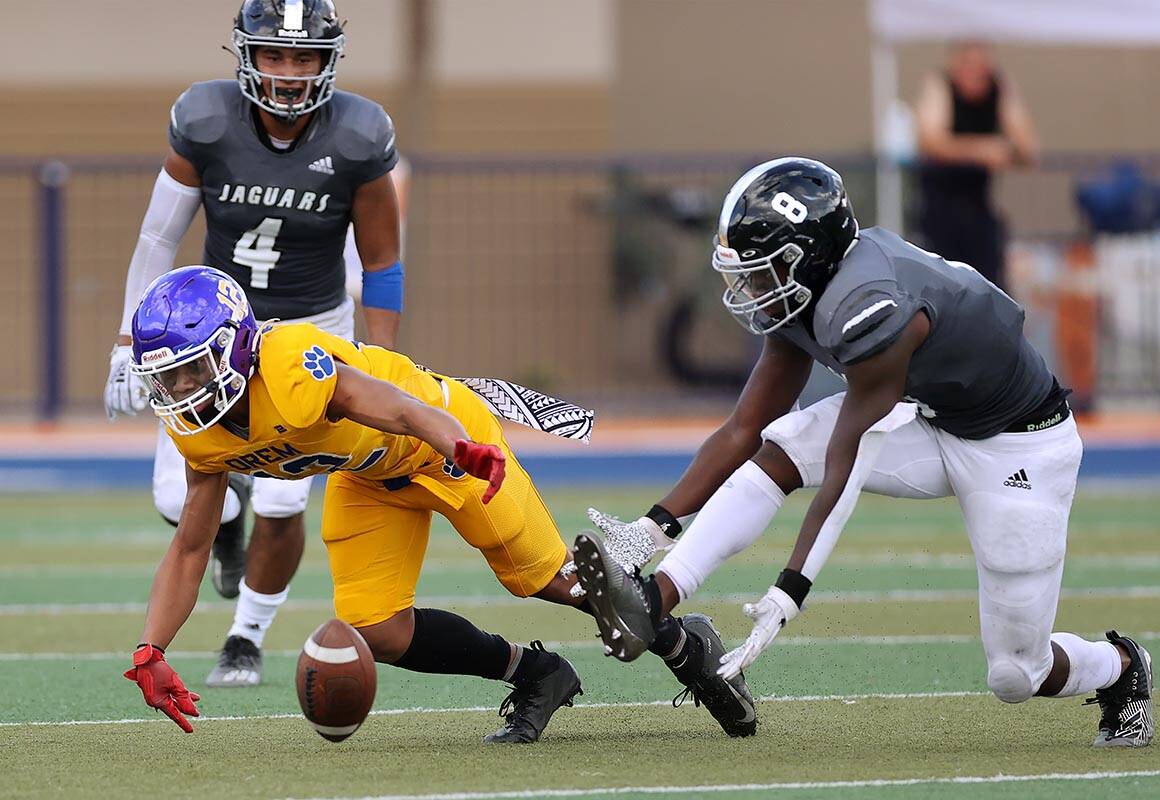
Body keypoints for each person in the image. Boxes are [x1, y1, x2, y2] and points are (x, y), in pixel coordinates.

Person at [575, 157, 1154, 749]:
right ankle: (656, 597)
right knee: (783, 447)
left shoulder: (871, 306)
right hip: (934, 418)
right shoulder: (809, 296)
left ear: (807, 258)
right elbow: (744, 427)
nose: (749, 290)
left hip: (1020, 446)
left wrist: (789, 590)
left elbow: (846, 467)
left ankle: (1121, 668)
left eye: (761, 271)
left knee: (1016, 673)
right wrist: (650, 530)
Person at [122, 266, 757, 740]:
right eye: (167, 377)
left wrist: (461, 445)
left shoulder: (287, 365)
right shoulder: (197, 429)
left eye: (193, 370)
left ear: (236, 346)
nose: (182, 391)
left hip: (444, 445)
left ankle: (687, 647)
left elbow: (396, 407)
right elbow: (190, 546)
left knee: (553, 582)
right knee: (377, 629)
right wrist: (152, 649)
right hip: (370, 478)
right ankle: (535, 673)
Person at [102, 0, 407, 688]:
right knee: (180, 500)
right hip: (204, 334)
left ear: (328, 61)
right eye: (275, 54)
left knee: (283, 500)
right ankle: (224, 531)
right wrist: (127, 339)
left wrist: (384, 361)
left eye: (303, 57)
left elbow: (383, 264)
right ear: (246, 54)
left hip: (310, 327)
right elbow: (157, 238)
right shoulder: (205, 121)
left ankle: (246, 633)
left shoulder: (358, 136)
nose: (289, 72)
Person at [914, 40, 1038, 291]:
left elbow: (1028, 150)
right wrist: (980, 150)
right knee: (943, 286)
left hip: (979, 209)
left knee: (991, 286)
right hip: (939, 209)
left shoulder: (998, 88)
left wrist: (1006, 100)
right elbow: (929, 141)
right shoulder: (940, 86)